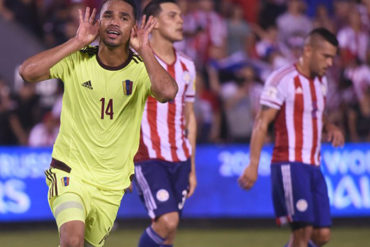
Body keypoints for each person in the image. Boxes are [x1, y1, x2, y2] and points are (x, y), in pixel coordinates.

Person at [19, 0, 178, 246]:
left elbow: (168, 92)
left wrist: (145, 49)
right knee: (72, 240)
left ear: (133, 27)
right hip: (70, 172)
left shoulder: (140, 70)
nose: (115, 21)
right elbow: (27, 72)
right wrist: (77, 42)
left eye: (124, 18)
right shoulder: (77, 59)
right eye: (108, 16)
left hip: (111, 185)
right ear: (99, 23)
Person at [238, 27, 344, 247]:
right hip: (289, 164)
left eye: (333, 58)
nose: (330, 63)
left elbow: (315, 112)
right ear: (308, 50)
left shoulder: (320, 82)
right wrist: (253, 164)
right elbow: (262, 121)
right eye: (326, 56)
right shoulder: (282, 80)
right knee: (302, 231)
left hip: (314, 166)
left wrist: (329, 126)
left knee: (321, 235)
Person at [133, 1, 197, 247]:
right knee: (167, 221)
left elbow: (189, 116)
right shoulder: (136, 62)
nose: (181, 20)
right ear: (154, 23)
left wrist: (192, 167)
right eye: (172, 16)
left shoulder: (187, 66)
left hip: (180, 157)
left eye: (181, 16)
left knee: (169, 233)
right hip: (148, 156)